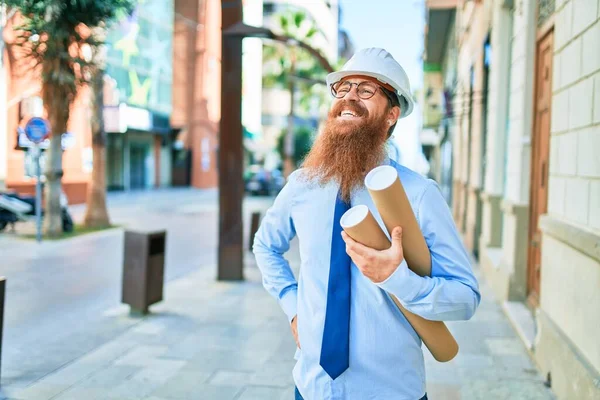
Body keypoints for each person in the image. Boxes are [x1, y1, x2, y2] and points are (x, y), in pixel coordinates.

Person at [253, 48, 480, 400]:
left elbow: (465, 298)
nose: (349, 98)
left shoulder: (419, 194)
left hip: (390, 391)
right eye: (343, 88)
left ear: (392, 115)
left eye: (366, 90)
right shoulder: (302, 184)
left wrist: (397, 279)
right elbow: (266, 245)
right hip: (311, 387)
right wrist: (292, 306)